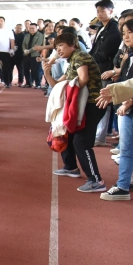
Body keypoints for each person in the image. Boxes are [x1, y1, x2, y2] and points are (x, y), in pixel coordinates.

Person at [47, 32, 106, 193]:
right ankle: (71, 167)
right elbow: (56, 86)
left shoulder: (80, 56)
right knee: (66, 132)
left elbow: (83, 78)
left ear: (72, 44)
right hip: (82, 105)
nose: (58, 50)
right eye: (56, 47)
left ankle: (96, 180)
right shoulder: (72, 60)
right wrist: (47, 72)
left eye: (61, 46)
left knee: (81, 142)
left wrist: (69, 94)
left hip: (93, 104)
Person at [97, 18, 133, 201]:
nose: (126, 36)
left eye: (131, 32)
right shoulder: (129, 56)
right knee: (126, 150)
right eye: (124, 32)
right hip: (127, 110)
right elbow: (126, 81)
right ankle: (122, 186)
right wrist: (123, 102)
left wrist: (128, 100)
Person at [90, 0, 122, 147]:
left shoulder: (114, 29)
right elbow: (95, 50)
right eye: (98, 11)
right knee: (101, 103)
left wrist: (88, 61)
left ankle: (100, 136)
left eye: (103, 10)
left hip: (106, 70)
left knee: (103, 103)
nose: (100, 14)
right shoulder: (102, 28)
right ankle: (100, 134)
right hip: (99, 69)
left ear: (111, 11)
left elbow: (104, 52)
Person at [22, 23, 44, 88]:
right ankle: (28, 83)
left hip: (35, 55)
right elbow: (23, 44)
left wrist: (29, 51)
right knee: (26, 69)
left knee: (35, 70)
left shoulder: (40, 35)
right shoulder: (26, 35)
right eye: (30, 28)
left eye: (33, 28)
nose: (31, 29)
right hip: (26, 55)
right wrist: (24, 50)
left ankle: (38, 84)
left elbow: (38, 44)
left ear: (36, 28)